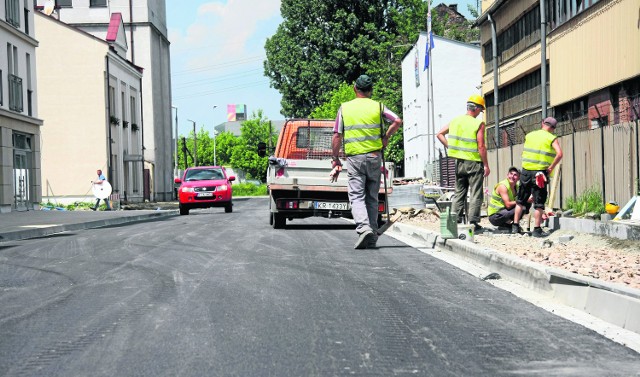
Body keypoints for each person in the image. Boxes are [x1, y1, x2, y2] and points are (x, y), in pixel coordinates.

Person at [331, 74, 402, 249]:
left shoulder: (345, 108)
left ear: (355, 89)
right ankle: (372, 232)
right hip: (374, 156)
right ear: (370, 91)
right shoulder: (378, 106)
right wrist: (386, 137)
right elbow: (397, 120)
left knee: (356, 195)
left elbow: (337, 135)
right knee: (372, 196)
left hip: (355, 158)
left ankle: (364, 228)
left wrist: (335, 158)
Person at [436, 94, 490, 232]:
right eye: (480, 110)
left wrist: (450, 146)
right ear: (476, 108)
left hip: (459, 163)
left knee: (459, 192)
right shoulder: (478, 124)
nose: (480, 113)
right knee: (476, 193)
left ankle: (455, 220)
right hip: (474, 162)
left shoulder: (455, 121)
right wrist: (486, 165)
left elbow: (439, 134)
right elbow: (481, 146)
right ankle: (473, 222)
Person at [512, 117, 563, 237]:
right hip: (540, 173)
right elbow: (560, 154)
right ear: (553, 128)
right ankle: (536, 229)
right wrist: (551, 167)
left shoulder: (529, 135)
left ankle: (515, 226)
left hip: (525, 171)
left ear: (542, 123)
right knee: (539, 202)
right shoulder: (551, 137)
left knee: (520, 200)